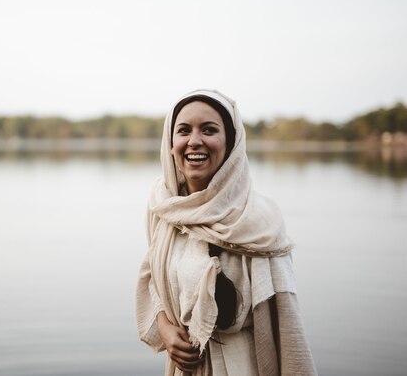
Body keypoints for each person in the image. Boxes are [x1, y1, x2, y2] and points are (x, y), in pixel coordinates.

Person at [136, 90, 317, 375]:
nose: (194, 141)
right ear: (170, 143)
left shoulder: (259, 223)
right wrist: (166, 328)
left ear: (231, 142)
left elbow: (287, 326)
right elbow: (154, 279)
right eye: (183, 130)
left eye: (209, 130)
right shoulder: (164, 206)